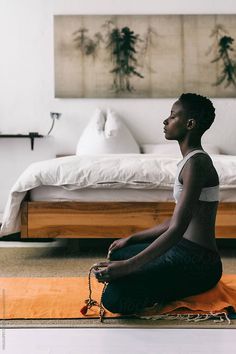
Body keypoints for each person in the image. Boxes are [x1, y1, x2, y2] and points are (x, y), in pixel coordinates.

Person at [93, 93, 223, 315]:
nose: (166, 121)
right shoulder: (189, 162)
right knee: (119, 254)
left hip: (199, 262)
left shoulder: (197, 164)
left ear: (190, 124)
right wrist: (131, 239)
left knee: (114, 298)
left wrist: (128, 267)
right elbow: (175, 221)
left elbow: (176, 229)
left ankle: (154, 292)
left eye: (173, 116)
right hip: (181, 248)